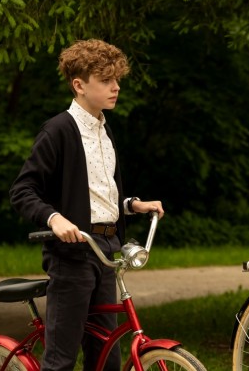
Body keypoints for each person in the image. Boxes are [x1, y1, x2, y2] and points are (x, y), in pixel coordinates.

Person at [10, 39, 164, 371]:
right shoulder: (58, 130)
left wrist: (131, 205)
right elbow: (23, 190)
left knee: (106, 356)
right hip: (72, 254)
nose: (116, 86)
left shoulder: (104, 131)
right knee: (61, 358)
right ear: (79, 85)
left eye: (117, 79)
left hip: (107, 250)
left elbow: (93, 194)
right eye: (106, 80)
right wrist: (54, 218)